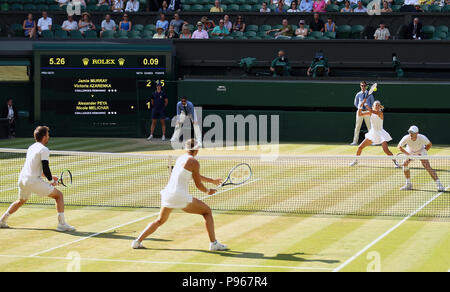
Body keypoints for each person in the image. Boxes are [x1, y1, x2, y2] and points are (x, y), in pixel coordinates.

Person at [131, 139, 227, 251]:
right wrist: (208, 191)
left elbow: (193, 175)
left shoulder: (181, 158)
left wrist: (212, 181)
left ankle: (137, 242)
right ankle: (214, 243)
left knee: (159, 221)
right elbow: (198, 185)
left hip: (168, 194)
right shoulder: (194, 162)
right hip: (180, 196)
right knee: (207, 212)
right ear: (196, 150)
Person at [0, 126, 76, 231]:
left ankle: (2, 220)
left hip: (22, 179)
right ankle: (62, 224)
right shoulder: (44, 149)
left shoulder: (31, 147)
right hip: (32, 181)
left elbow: (35, 167)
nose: (48, 137)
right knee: (59, 196)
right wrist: (51, 181)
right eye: (48, 135)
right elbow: (45, 167)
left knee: (21, 200)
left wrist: (51, 177)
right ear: (44, 136)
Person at [349, 100, 398, 167]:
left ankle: (396, 162)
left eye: (378, 105)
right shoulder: (370, 112)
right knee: (360, 147)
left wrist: (365, 104)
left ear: (380, 106)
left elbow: (372, 111)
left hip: (381, 133)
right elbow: (360, 114)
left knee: (386, 150)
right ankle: (355, 161)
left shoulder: (380, 113)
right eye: (376, 105)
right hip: (373, 133)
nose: (377, 106)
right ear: (373, 106)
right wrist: (360, 106)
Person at [397, 126, 445, 192]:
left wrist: (422, 153)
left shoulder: (422, 137)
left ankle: (439, 185)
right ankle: (408, 184)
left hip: (421, 150)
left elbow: (429, 145)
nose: (411, 134)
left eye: (412, 132)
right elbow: (399, 147)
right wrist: (408, 154)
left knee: (427, 166)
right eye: (410, 132)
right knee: (405, 164)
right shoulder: (406, 138)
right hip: (410, 151)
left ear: (417, 133)